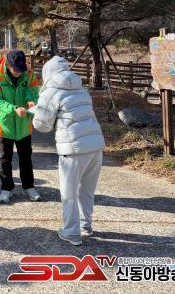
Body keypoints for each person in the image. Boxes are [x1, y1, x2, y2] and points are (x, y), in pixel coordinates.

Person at [29, 56, 105, 246]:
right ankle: (85, 226)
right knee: (86, 190)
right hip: (96, 145)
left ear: (48, 73)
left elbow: (42, 125)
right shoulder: (81, 88)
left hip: (73, 149)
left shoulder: (50, 92)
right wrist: (40, 110)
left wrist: (34, 112)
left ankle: (71, 232)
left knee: (69, 193)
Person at [0, 49, 41, 204]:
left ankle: (28, 186)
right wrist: (14, 109)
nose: (19, 72)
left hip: (24, 125)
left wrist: (31, 101)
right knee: (5, 158)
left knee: (26, 157)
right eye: (16, 69)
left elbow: (33, 92)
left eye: (21, 69)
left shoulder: (29, 74)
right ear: (8, 65)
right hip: (4, 125)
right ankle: (6, 188)